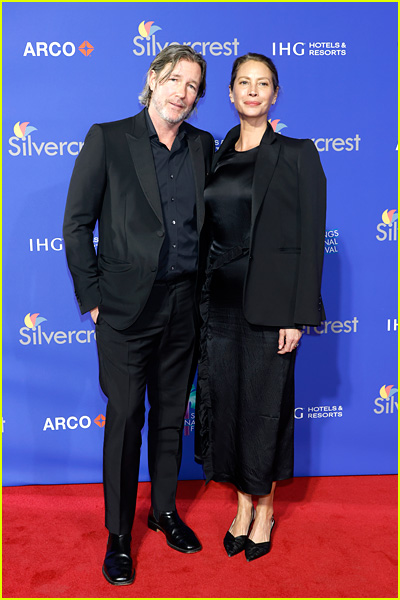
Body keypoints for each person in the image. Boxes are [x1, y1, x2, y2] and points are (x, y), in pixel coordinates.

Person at [63, 45, 214, 585]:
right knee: (126, 420)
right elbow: (77, 223)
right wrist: (93, 297)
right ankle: (120, 537)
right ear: (153, 79)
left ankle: (165, 510)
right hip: (125, 310)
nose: (183, 93)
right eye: (175, 80)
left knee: (171, 416)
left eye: (194, 86)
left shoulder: (202, 145)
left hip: (183, 306)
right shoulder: (108, 138)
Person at [196, 53, 326, 562]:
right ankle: (242, 506)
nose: (253, 91)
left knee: (263, 412)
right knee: (227, 407)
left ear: (276, 95)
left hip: (271, 308)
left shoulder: (297, 153)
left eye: (263, 83)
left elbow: (310, 240)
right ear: (229, 94)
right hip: (219, 306)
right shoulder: (215, 153)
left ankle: (265, 508)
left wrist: (296, 315)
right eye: (243, 83)